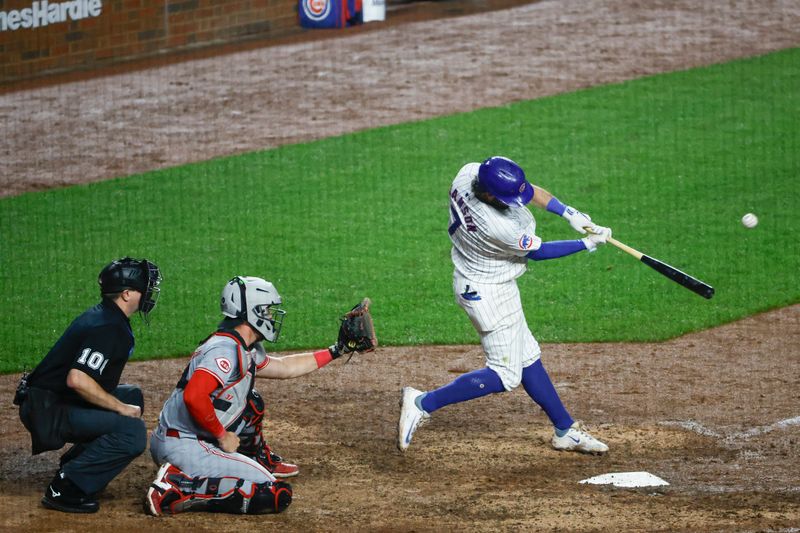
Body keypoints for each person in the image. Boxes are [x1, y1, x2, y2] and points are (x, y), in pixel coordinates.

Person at [397, 156, 611, 455]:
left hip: (494, 283)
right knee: (504, 375)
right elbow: (538, 252)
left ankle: (564, 430)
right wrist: (586, 244)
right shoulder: (497, 226)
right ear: (487, 195)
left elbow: (528, 190)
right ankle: (422, 403)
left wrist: (569, 212)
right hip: (487, 294)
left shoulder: (469, 173)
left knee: (528, 357)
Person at [145, 276, 373, 516]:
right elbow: (194, 396)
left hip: (184, 437)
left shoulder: (243, 347)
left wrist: (337, 350)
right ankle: (176, 486)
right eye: (267, 310)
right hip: (184, 444)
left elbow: (285, 368)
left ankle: (249, 458)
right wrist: (222, 436)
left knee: (251, 401)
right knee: (271, 492)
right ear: (251, 313)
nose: (272, 316)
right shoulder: (224, 350)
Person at [14, 257, 162, 513]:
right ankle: (66, 488)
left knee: (132, 396)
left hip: (51, 399)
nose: (149, 292)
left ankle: (80, 464)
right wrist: (120, 408)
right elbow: (77, 379)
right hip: (47, 409)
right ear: (127, 294)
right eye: (144, 287)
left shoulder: (107, 315)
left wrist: (123, 404)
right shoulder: (108, 327)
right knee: (132, 432)